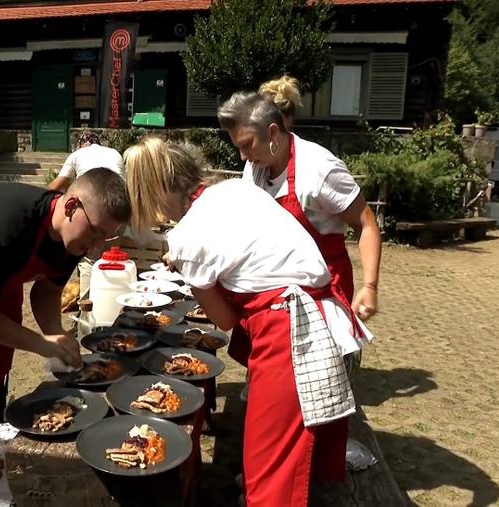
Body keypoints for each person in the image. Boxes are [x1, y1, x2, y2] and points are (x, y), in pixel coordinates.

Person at [124, 136, 371, 506]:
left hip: (290, 332)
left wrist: (199, 279)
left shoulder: (187, 236)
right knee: (292, 453)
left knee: (271, 465)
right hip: (323, 317)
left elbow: (223, 320)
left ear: (159, 193)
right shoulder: (239, 189)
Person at [0, 168, 131, 442]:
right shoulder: (8, 224)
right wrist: (39, 343)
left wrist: (54, 331)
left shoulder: (75, 238)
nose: (96, 247)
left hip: (0, 276)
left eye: (106, 238)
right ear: (70, 206)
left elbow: (47, 291)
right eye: (95, 233)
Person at [224, 91, 382, 324]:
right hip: (277, 292)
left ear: (273, 133)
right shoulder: (255, 167)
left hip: (323, 296)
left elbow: (365, 222)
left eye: (247, 145)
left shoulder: (320, 169)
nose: (242, 156)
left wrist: (370, 286)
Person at [47, 130, 126, 299]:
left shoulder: (78, 154)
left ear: (82, 144)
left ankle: (87, 310)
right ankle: (109, 302)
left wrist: (41, 202)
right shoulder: (114, 153)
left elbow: (56, 185)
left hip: (94, 214)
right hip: (118, 217)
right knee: (111, 260)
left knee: (88, 261)